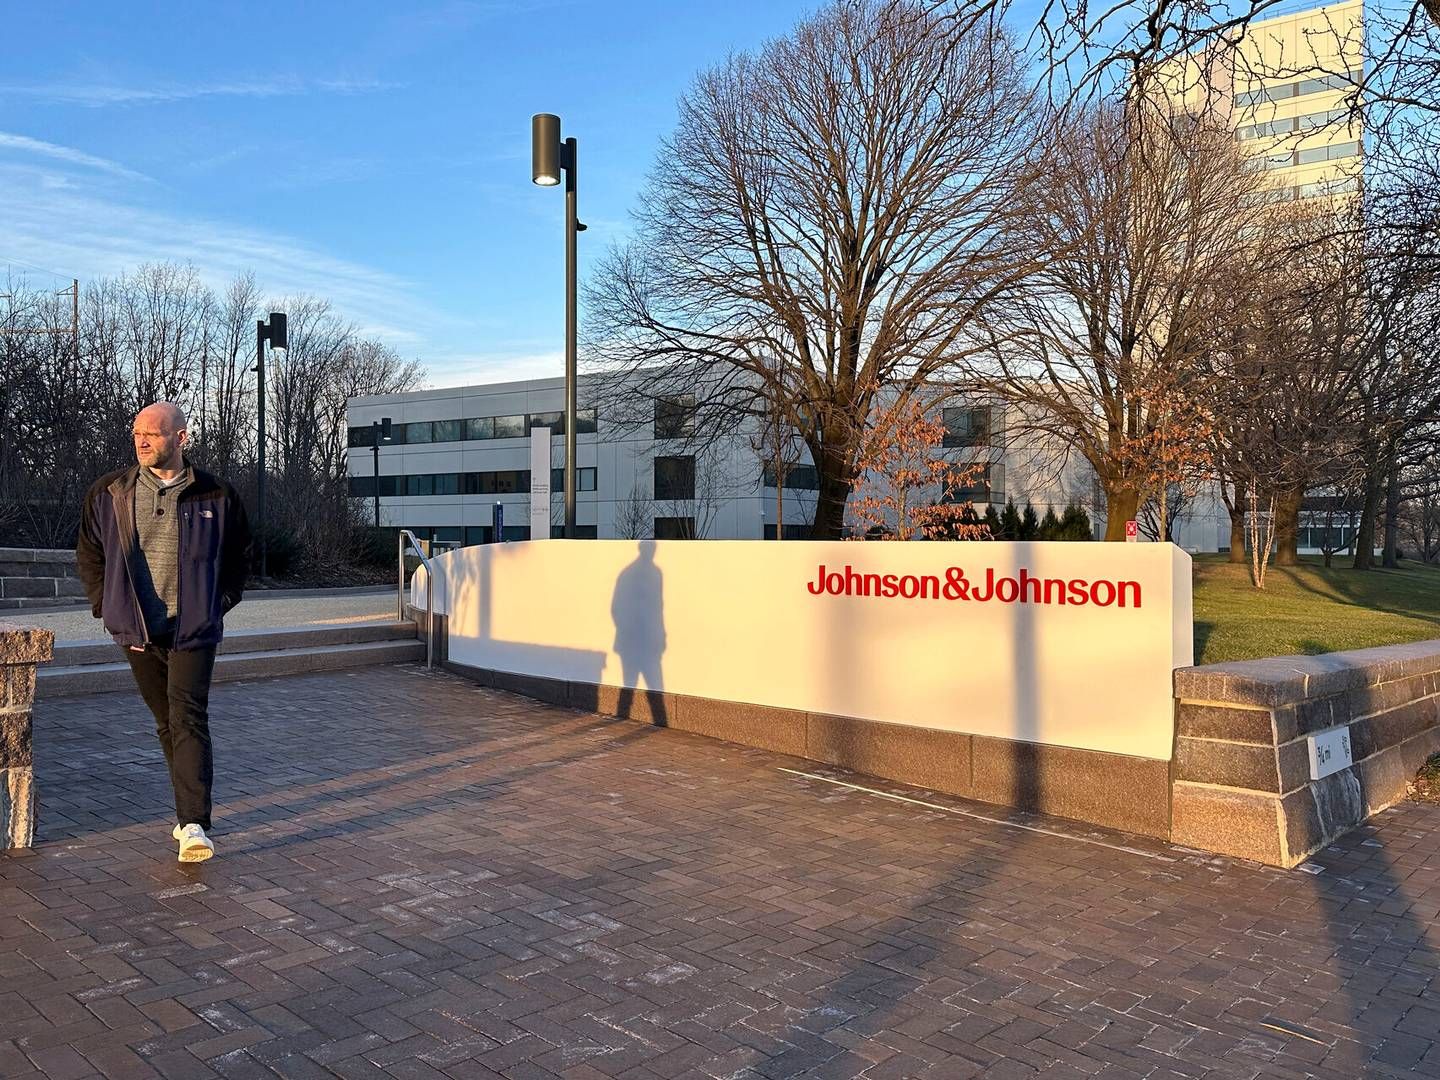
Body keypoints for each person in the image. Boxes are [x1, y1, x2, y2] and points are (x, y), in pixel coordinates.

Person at [76, 402, 252, 863]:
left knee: (188, 715)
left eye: (154, 433)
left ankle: (194, 824)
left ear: (181, 438)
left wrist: (218, 603)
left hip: (192, 628)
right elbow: (90, 552)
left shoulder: (216, 494)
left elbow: (240, 558)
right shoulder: (109, 491)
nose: (143, 440)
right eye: (138, 432)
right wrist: (106, 606)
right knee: (165, 720)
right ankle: (186, 811)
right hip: (138, 628)